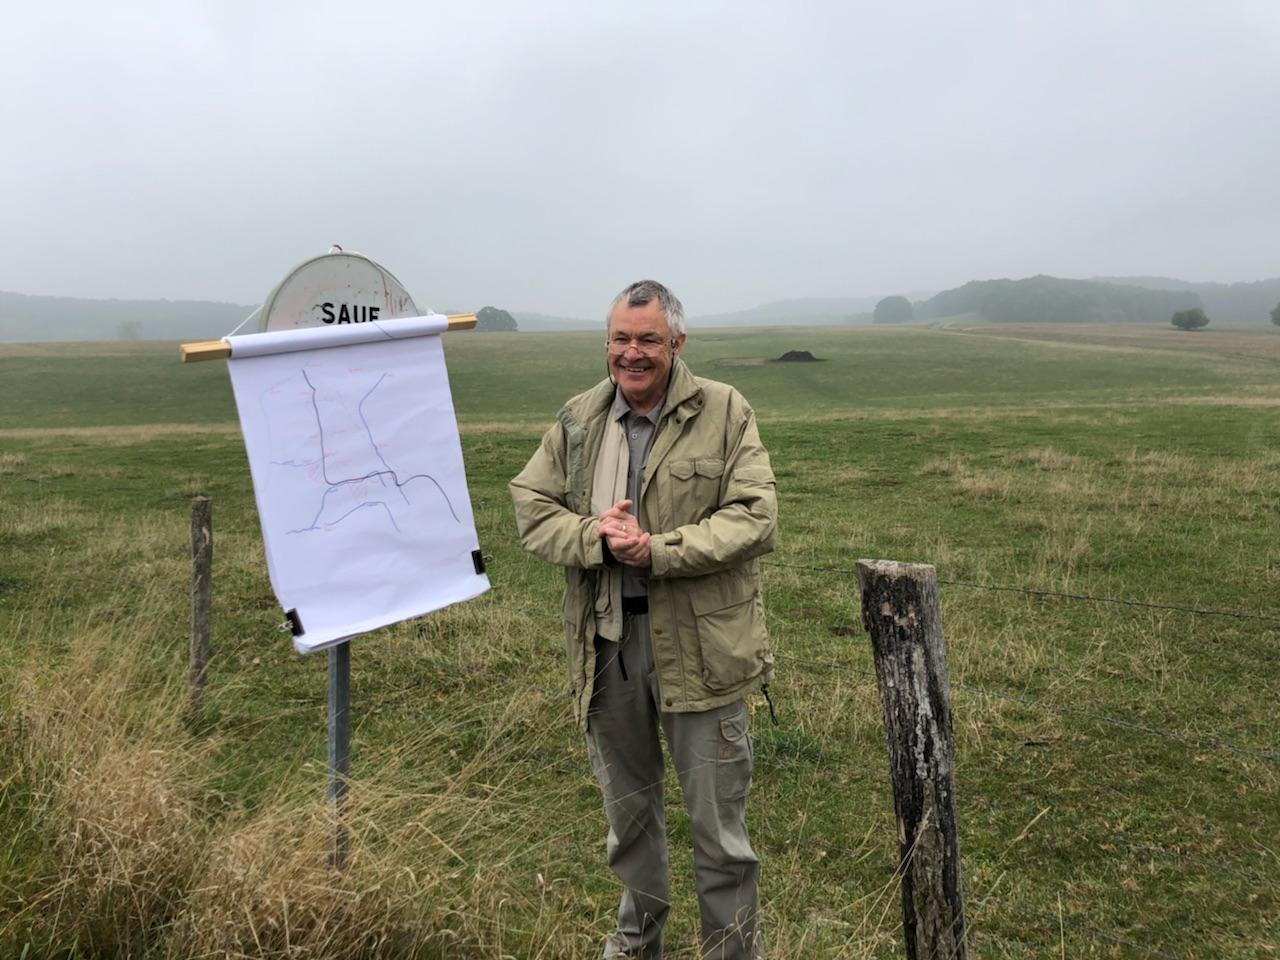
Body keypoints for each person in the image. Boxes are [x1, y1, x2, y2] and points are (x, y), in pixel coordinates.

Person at [510, 280, 777, 959]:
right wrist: (595, 538)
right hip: (607, 646)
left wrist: (656, 551)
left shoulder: (723, 409)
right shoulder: (577, 419)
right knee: (629, 824)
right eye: (621, 339)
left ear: (677, 344)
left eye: (648, 340)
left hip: (702, 648)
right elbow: (532, 509)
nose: (632, 353)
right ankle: (636, 949)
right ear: (607, 343)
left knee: (719, 833)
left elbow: (755, 516)